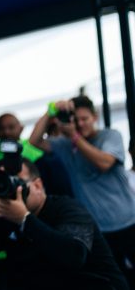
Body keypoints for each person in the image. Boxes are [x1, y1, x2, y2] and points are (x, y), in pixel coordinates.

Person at [0, 158, 128, 289]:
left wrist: (24, 219)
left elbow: (74, 256)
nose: (15, 191)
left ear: (37, 185)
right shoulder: (4, 218)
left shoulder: (67, 208)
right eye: (6, 183)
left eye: (18, 182)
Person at [30, 96, 135, 286]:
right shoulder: (65, 144)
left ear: (95, 117)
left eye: (84, 119)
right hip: (99, 230)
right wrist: (51, 111)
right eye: (75, 119)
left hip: (129, 221)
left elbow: (104, 163)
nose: (79, 124)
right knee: (115, 280)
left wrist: (74, 137)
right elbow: (34, 140)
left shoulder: (110, 135)